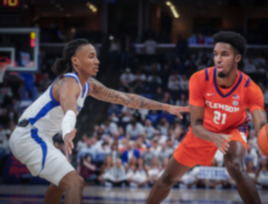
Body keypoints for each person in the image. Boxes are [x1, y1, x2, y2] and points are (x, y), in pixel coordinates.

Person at [8, 38, 189, 204]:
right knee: (75, 182)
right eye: (91, 56)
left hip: (39, 136)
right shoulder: (67, 83)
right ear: (75, 61)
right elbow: (69, 109)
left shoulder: (89, 85)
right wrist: (67, 132)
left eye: (97, 57)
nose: (97, 61)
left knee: (60, 182)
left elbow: (126, 98)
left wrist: (164, 106)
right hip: (29, 136)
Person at [147, 31, 267, 204]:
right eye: (216, 54)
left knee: (234, 165)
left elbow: (261, 122)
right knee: (167, 178)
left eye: (224, 55)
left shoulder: (251, 89)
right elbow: (196, 124)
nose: (218, 59)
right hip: (204, 129)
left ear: (237, 58)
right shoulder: (199, 79)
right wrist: (213, 137)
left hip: (233, 128)